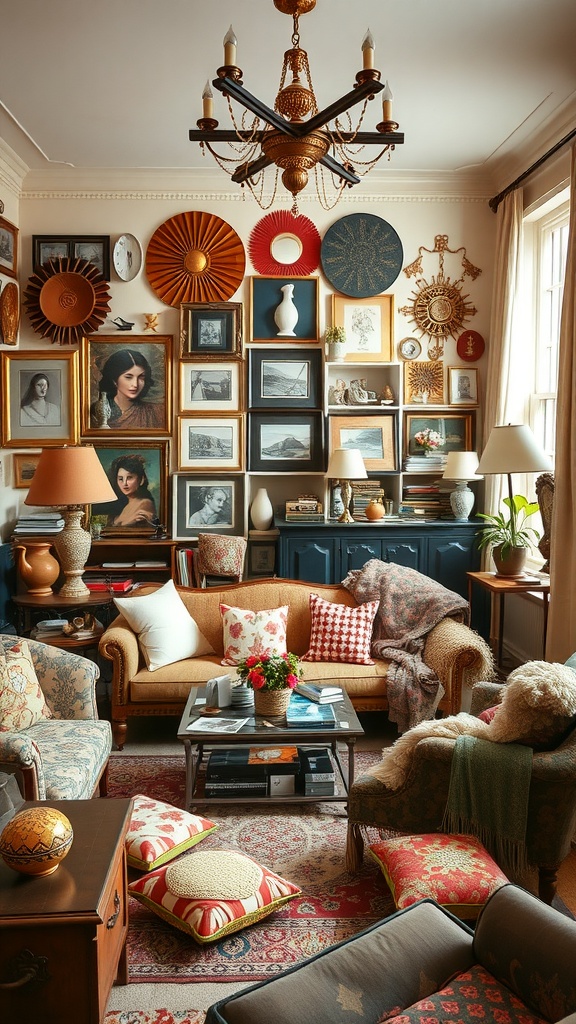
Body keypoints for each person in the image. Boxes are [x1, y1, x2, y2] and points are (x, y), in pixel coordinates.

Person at [90, 349, 164, 429]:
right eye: (128, 377)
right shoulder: (98, 411)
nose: (135, 384)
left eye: (141, 377)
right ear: (114, 380)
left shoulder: (155, 412)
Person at [105, 454, 157, 527]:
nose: (124, 483)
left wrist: (124, 523)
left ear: (141, 480)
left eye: (129, 478)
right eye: (120, 479)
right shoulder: (125, 503)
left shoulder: (145, 503)